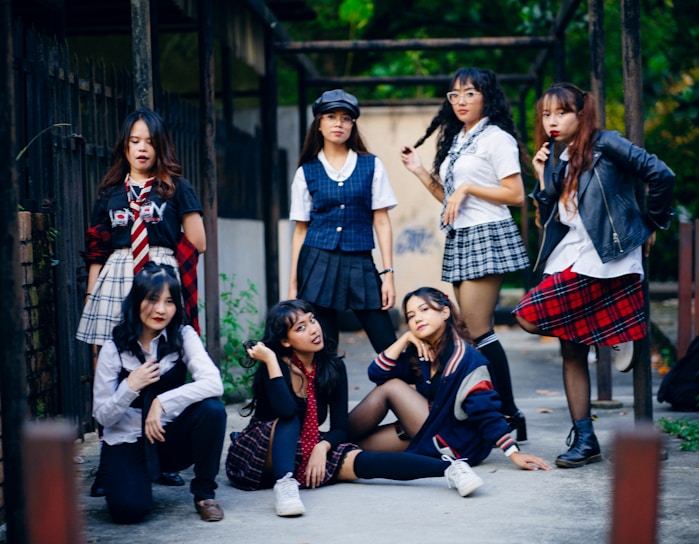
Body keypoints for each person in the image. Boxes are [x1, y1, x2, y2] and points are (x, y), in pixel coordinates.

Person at [513, 82, 675, 468]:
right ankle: (585, 438)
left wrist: (650, 223)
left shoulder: (606, 143)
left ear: (581, 114)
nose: (551, 121)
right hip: (572, 252)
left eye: (561, 113)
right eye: (546, 115)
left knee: (527, 314)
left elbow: (661, 174)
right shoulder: (555, 156)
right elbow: (551, 215)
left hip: (608, 254)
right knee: (570, 347)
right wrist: (541, 178)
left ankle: (615, 331)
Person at [225, 299, 492, 518]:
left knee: (364, 461)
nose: (314, 329)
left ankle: (450, 469)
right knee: (290, 419)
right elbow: (285, 412)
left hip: (305, 446)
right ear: (285, 341)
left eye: (312, 320)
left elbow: (341, 428)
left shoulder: (331, 367)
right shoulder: (276, 365)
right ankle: (285, 484)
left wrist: (323, 446)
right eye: (301, 327)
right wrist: (271, 360)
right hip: (261, 454)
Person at [78, 108, 205, 492]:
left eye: (149, 141)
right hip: (116, 280)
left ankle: (160, 455)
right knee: (111, 366)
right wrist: (90, 296)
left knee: (164, 362)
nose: (141, 148)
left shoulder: (176, 188)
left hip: (160, 276)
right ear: (125, 146)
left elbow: (198, 241)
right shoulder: (111, 194)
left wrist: (161, 253)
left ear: (160, 145)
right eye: (134, 141)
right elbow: (97, 250)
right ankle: (111, 457)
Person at [399, 68, 530, 440]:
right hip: (462, 235)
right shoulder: (459, 139)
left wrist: (468, 187)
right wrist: (421, 172)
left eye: (469, 93)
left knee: (478, 330)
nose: (460, 101)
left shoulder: (496, 138)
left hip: (488, 234)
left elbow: (516, 194)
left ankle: (509, 413)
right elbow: (450, 202)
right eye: (454, 95)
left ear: (486, 96)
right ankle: (486, 411)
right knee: (469, 333)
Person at [347, 287, 552, 472]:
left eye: (424, 309)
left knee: (392, 387)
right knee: (355, 448)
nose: (417, 318)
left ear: (445, 312)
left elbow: (486, 411)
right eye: (411, 316)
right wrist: (404, 339)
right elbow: (376, 374)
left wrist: (513, 453)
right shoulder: (422, 351)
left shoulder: (467, 359)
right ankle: (326, 445)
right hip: (428, 428)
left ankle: (330, 437)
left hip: (455, 441)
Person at [92, 262, 226, 523]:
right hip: (128, 441)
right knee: (129, 511)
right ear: (137, 300)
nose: (161, 310)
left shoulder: (183, 335)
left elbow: (214, 383)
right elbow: (102, 416)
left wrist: (162, 403)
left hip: (169, 437)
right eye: (152, 299)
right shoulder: (113, 349)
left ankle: (204, 494)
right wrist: (130, 387)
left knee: (212, 411)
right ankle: (117, 474)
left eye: (169, 301)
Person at [288, 89, 397, 354]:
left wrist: (388, 275)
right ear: (320, 124)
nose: (339, 123)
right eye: (331, 116)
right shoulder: (306, 171)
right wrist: (293, 284)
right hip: (316, 262)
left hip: (359, 260)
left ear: (353, 125)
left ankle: (406, 393)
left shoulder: (371, 165)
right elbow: (301, 229)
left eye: (346, 118)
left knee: (387, 343)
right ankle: (330, 397)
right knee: (324, 350)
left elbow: (381, 221)